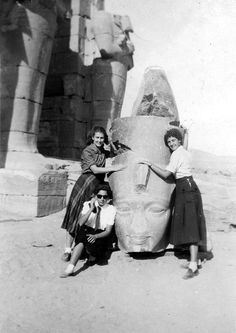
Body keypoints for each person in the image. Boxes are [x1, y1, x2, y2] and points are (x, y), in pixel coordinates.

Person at [140, 127, 206, 279]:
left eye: (173, 140)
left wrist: (150, 164)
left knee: (191, 226)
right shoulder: (184, 151)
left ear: (179, 140)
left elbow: (166, 174)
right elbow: (186, 145)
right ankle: (194, 260)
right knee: (190, 224)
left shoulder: (177, 154)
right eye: (168, 142)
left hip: (185, 189)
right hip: (188, 186)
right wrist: (186, 133)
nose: (171, 143)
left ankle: (194, 265)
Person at [61, 126, 124, 261]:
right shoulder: (87, 151)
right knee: (76, 217)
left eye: (102, 138)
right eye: (97, 138)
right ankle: (67, 250)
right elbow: (95, 170)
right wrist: (114, 168)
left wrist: (115, 147)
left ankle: (85, 249)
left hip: (97, 186)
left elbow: (116, 152)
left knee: (93, 218)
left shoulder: (102, 151)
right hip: (86, 184)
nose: (99, 140)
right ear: (92, 138)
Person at [60, 183, 116, 278]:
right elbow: (81, 223)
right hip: (87, 230)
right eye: (99, 196)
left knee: (93, 250)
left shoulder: (111, 209)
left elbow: (108, 231)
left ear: (108, 198)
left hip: (100, 233)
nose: (102, 199)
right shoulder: (87, 204)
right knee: (82, 240)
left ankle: (91, 255)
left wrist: (96, 236)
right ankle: (70, 268)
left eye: (105, 197)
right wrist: (91, 209)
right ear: (95, 196)